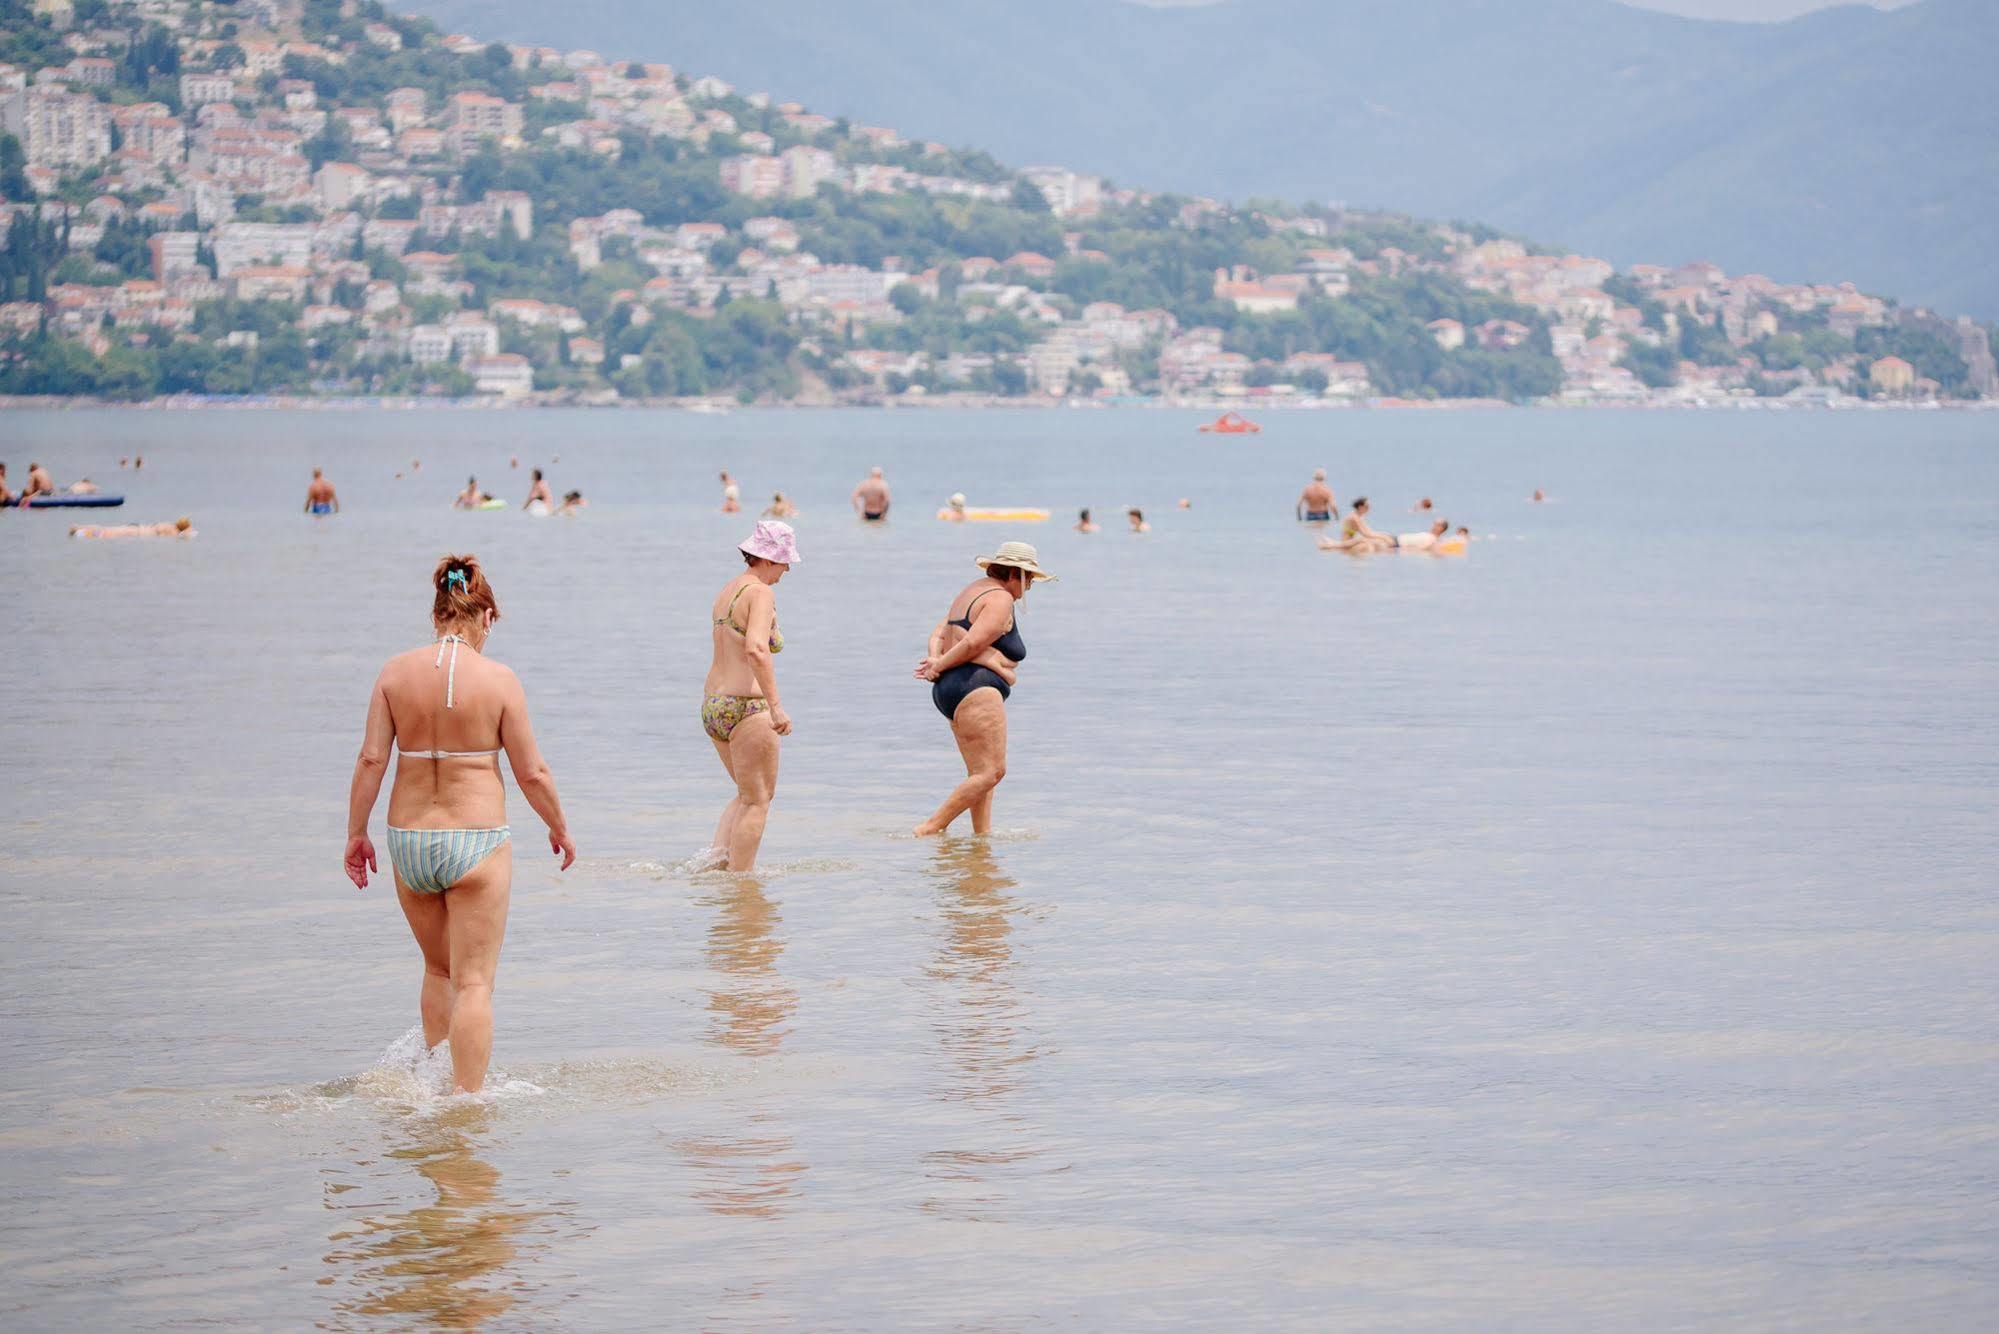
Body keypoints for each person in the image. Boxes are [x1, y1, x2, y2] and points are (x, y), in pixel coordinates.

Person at [343, 554, 576, 1095]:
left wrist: (356, 833)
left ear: (436, 614)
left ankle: (429, 1089)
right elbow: (532, 772)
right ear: (485, 617)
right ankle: (465, 1107)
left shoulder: (393, 673)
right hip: (477, 840)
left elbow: (371, 760)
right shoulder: (500, 680)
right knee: (474, 983)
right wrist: (559, 827)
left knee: (437, 971)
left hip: (409, 841)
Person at [913, 541, 1056, 837]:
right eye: (1029, 579)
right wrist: (938, 665)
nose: (1030, 587)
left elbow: (942, 631)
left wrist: (937, 658)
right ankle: (930, 828)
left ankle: (982, 839)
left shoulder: (973, 589)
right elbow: (972, 643)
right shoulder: (1000, 598)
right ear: (1016, 574)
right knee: (993, 772)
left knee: (980, 774)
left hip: (953, 689)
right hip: (974, 687)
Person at [701, 521, 798, 872]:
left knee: (746, 795)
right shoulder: (760, 593)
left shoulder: (728, 589)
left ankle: (715, 869)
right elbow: (758, 649)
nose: (788, 569)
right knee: (759, 800)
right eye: (785, 562)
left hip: (715, 705)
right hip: (747, 707)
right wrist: (776, 707)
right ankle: (741, 888)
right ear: (768, 559)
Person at [1318, 496, 1395, 553]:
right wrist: (1385, 537)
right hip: (1347, 541)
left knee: (1374, 540)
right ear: (1360, 507)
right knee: (1366, 541)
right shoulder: (1354, 518)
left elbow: (1369, 531)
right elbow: (1367, 534)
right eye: (1367, 506)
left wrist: (1384, 535)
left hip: (1352, 540)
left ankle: (1333, 543)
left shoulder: (1358, 517)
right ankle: (1332, 545)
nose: (1369, 508)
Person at [70, 517, 194, 539]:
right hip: (134, 533)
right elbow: (186, 534)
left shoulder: (168, 524)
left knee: (106, 529)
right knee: (106, 533)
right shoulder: (173, 531)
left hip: (136, 527)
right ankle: (82, 532)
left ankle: (80, 528)